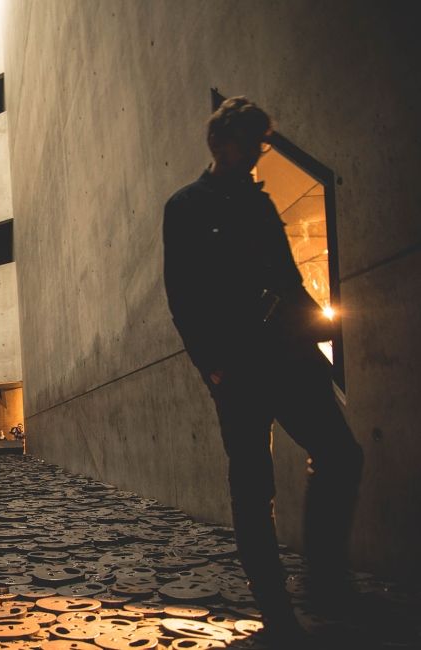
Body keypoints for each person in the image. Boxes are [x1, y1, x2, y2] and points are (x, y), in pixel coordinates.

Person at [163, 97, 363, 641]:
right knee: (254, 487)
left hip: (292, 358)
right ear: (223, 145)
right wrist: (214, 369)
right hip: (239, 370)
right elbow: (181, 297)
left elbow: (288, 275)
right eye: (252, 145)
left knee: (342, 455)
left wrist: (316, 331)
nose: (258, 155)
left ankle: (323, 577)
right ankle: (274, 607)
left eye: (262, 145)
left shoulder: (259, 202)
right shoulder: (184, 206)